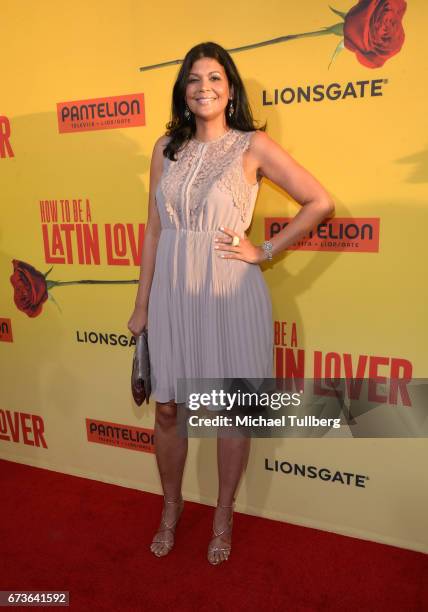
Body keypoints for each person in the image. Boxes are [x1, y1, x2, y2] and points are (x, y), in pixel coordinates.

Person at [128, 41, 335, 565]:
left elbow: (320, 201)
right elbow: (154, 230)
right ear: (183, 90)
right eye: (194, 79)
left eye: (215, 78)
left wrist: (264, 250)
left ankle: (223, 513)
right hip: (172, 292)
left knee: (229, 413)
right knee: (170, 409)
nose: (204, 88)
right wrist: (142, 304)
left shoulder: (253, 145)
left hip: (228, 290)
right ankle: (170, 508)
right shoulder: (165, 149)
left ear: (231, 88)